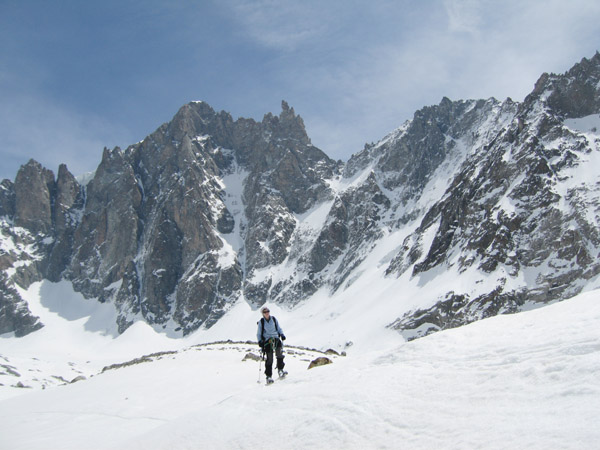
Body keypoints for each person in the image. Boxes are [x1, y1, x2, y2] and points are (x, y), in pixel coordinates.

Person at [257, 306, 287, 383]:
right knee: (270, 358)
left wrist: (282, 334)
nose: (266, 313)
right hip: (267, 341)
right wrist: (260, 341)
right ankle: (268, 376)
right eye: (265, 312)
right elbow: (259, 333)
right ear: (262, 314)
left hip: (276, 338)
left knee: (279, 355)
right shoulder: (262, 322)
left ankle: (280, 370)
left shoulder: (273, 319)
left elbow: (279, 328)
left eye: (267, 311)